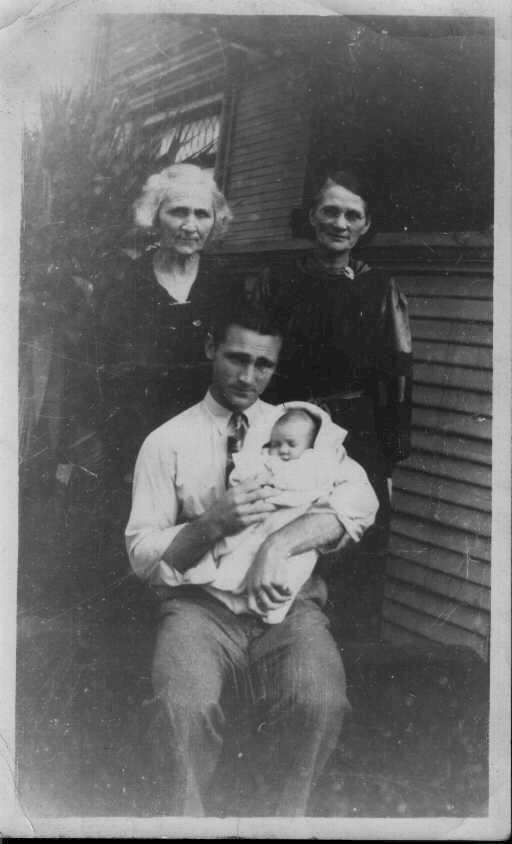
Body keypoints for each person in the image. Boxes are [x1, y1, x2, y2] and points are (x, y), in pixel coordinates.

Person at [125, 301, 379, 816]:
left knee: (321, 702)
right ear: (209, 349)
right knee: (183, 708)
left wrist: (278, 544)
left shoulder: (301, 429)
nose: (248, 375)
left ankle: (282, 823)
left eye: (263, 364)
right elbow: (141, 552)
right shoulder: (168, 442)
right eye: (236, 358)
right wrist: (211, 524)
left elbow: (359, 502)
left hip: (288, 605)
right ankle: (186, 825)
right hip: (200, 608)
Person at [267, 167, 413, 641]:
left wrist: (388, 458)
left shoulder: (380, 288)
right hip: (289, 431)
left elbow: (397, 374)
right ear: (312, 216)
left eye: (353, 215)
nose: (340, 222)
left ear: (366, 226)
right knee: (285, 538)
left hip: (358, 434)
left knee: (358, 548)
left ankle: (355, 666)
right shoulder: (279, 282)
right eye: (330, 210)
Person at [99, 163, 234, 482]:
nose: (191, 225)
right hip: (137, 444)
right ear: (154, 216)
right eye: (178, 212)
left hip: (208, 444)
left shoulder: (227, 286)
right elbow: (102, 375)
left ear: (215, 222)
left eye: (202, 214)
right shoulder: (124, 286)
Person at [184, 404, 376, 625]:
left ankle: (269, 607)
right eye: (276, 444)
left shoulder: (324, 463)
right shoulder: (263, 459)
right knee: (235, 553)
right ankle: (223, 591)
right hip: (259, 518)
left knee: (290, 570)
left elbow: (362, 500)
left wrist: (279, 544)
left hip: (296, 521)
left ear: (312, 444)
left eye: (291, 444)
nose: (283, 450)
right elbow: (240, 480)